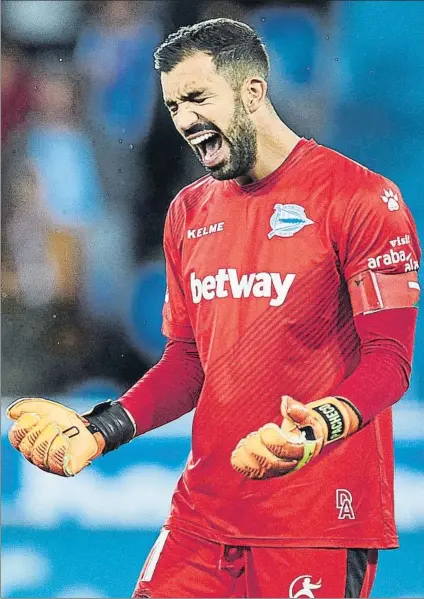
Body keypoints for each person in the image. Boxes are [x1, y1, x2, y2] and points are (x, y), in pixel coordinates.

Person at [7, 19, 421, 599]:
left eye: (198, 97)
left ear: (252, 91)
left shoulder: (361, 199)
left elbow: (391, 360)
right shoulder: (189, 212)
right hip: (202, 519)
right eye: (174, 104)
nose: (184, 120)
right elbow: (188, 362)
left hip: (313, 522)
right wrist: (100, 431)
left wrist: (319, 425)